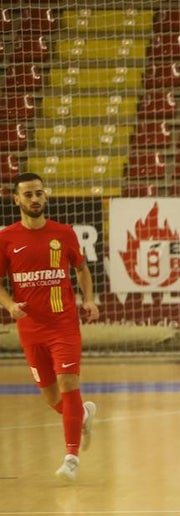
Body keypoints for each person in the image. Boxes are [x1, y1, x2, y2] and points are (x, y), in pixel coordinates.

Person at [0, 172, 98, 480]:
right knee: (52, 398)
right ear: (16, 199)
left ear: (46, 196)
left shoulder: (63, 233)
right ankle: (80, 414)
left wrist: (89, 299)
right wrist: (10, 305)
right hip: (30, 328)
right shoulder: (6, 239)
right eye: (28, 194)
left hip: (63, 324)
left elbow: (81, 268)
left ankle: (71, 457)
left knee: (69, 385)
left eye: (39, 193)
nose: (34, 199)